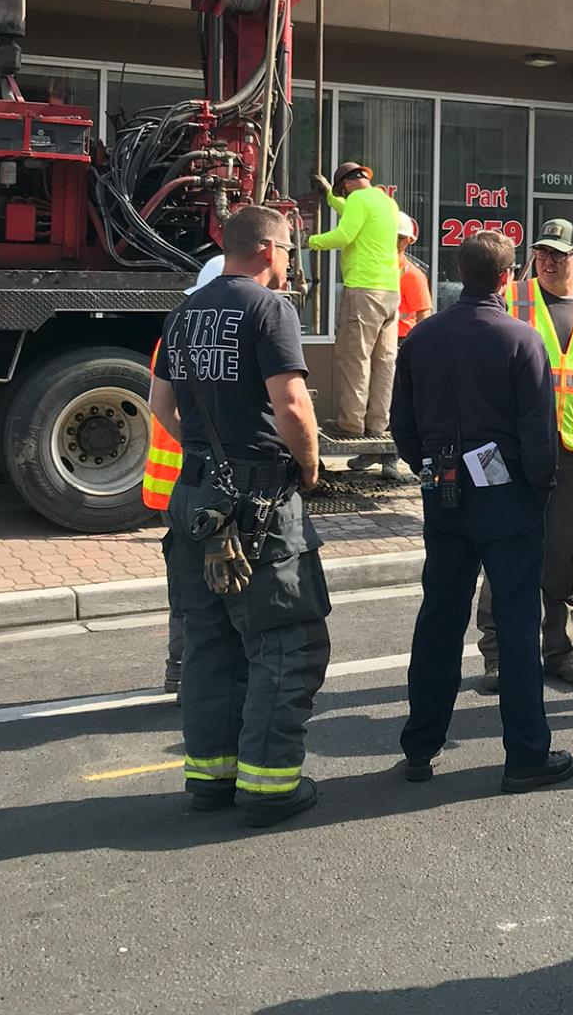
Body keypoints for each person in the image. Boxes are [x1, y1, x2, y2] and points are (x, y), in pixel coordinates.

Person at [148, 207, 330, 828]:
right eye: (288, 252)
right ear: (270, 249)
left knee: (209, 645)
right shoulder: (269, 309)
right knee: (284, 642)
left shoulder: (184, 311)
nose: (288, 265)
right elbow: (292, 403)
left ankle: (210, 778)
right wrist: (308, 467)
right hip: (259, 504)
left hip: (195, 498)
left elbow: (161, 403)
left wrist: (204, 451)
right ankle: (270, 787)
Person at [390, 230, 573, 794]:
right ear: (507, 277)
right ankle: (525, 753)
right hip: (508, 499)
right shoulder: (521, 340)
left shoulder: (422, 338)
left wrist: (428, 464)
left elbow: (402, 425)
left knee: (439, 617)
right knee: (517, 622)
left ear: (459, 274)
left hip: (442, 491)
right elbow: (539, 433)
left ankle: (421, 747)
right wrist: (537, 489)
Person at [474, 219, 573, 693]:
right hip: (517, 450)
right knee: (506, 550)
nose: (548, 260)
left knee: (565, 557)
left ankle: (559, 649)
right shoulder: (512, 300)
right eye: (542, 252)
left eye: (559, 254)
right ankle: (497, 654)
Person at [141, 253, 226, 699]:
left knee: (184, 589)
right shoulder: (216, 340)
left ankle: (179, 670)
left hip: (171, 486)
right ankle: (196, 673)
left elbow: (160, 404)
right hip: (198, 481)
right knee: (209, 587)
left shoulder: (173, 335)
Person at [306, 160, 401, 439]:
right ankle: (376, 424)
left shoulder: (358, 199)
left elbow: (345, 234)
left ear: (347, 184)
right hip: (389, 292)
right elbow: (351, 213)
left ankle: (350, 424)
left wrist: (309, 241)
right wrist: (330, 197)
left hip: (364, 290)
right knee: (384, 362)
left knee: (355, 358)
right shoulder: (386, 202)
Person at [354, 215, 431, 480]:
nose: (393, 243)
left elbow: (424, 314)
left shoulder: (412, 275)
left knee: (393, 402)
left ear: (408, 242)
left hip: (401, 344)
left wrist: (418, 350)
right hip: (377, 339)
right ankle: (371, 449)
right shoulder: (376, 268)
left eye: (399, 239)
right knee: (371, 395)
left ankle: (390, 457)